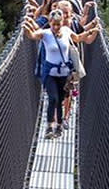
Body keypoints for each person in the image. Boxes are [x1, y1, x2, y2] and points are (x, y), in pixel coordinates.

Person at [24, 9, 100, 139]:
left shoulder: (66, 31)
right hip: (49, 73)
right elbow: (32, 36)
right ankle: (49, 126)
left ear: (61, 23)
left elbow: (78, 38)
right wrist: (26, 27)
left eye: (58, 24)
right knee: (52, 98)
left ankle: (59, 126)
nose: (55, 27)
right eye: (53, 24)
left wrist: (91, 31)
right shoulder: (45, 33)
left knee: (59, 100)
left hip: (64, 73)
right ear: (50, 23)